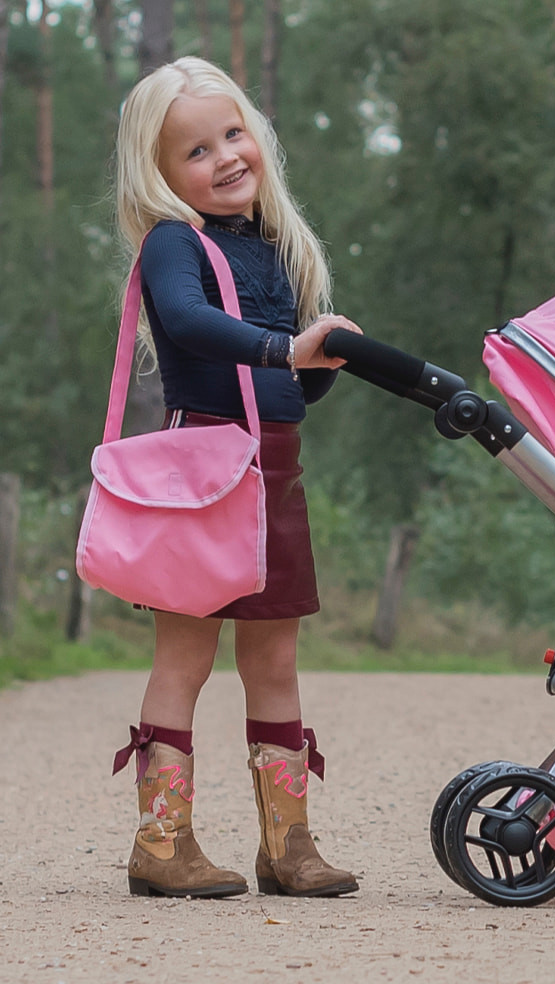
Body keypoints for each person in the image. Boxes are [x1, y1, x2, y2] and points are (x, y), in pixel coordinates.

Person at [108, 56, 362, 899]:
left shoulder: (272, 248)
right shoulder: (173, 243)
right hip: (203, 468)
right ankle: (162, 842)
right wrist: (283, 348)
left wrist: (320, 362)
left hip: (273, 467)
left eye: (232, 134)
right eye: (195, 151)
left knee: (276, 659)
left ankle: (288, 845)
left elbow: (286, 388)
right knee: (185, 656)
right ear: (159, 172)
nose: (223, 157)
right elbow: (187, 322)